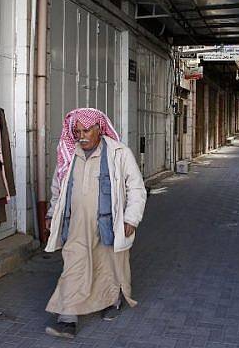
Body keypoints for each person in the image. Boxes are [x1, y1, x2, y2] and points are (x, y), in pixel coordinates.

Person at [43, 108, 147, 339]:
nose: (81, 135)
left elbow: (136, 188)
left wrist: (131, 217)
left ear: (99, 129)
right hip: (77, 224)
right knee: (73, 266)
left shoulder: (119, 153)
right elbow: (58, 189)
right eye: (77, 131)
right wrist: (52, 213)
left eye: (86, 130)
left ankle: (112, 300)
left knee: (108, 265)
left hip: (109, 223)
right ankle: (67, 319)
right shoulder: (69, 156)